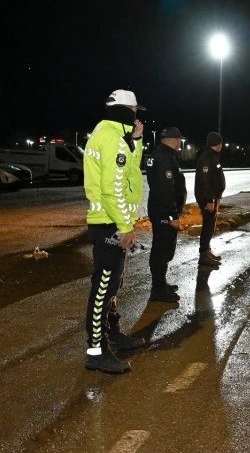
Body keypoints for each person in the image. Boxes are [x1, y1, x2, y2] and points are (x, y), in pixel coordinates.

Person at [82, 89, 146, 374]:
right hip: (110, 222)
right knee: (103, 289)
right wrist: (125, 227)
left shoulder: (113, 135)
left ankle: (114, 335)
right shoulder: (111, 138)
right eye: (134, 111)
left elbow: (131, 171)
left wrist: (137, 141)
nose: (137, 116)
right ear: (126, 111)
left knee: (112, 285)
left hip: (112, 221)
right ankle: (96, 351)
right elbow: (112, 189)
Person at [147, 127, 187, 302]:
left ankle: (161, 284)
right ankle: (158, 289)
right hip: (164, 212)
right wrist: (173, 215)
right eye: (179, 141)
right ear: (174, 141)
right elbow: (165, 189)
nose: (180, 144)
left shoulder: (159, 154)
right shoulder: (165, 158)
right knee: (162, 250)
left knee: (162, 249)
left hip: (160, 209)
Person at [195, 132, 226, 266]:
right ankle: (203, 255)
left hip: (212, 197)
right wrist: (209, 200)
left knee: (210, 225)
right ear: (218, 143)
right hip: (207, 198)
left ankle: (207, 251)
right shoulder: (207, 157)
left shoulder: (212, 156)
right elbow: (205, 181)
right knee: (208, 226)